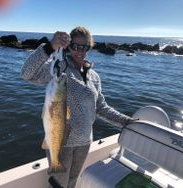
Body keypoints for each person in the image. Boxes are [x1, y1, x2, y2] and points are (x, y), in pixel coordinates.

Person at [21, 26, 136, 188]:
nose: (80, 51)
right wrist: (49, 46)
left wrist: (127, 122)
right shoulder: (59, 68)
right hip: (61, 143)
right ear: (68, 46)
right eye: (75, 46)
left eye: (85, 47)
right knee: (58, 185)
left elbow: (101, 108)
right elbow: (27, 73)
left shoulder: (94, 77)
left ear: (90, 48)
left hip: (84, 141)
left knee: (73, 181)